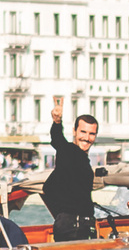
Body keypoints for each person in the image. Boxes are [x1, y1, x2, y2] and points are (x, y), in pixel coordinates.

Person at [43, 97, 102, 242]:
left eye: (91, 134)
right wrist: (57, 121)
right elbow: (57, 139)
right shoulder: (69, 151)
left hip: (75, 224)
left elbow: (48, 188)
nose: (87, 138)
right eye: (83, 132)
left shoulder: (82, 160)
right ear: (74, 131)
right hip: (74, 227)